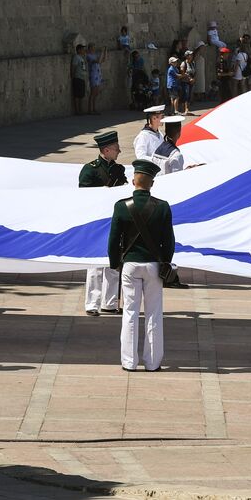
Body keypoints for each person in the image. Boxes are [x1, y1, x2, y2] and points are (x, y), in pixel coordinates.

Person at [108, 159, 176, 372]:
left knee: (130, 312)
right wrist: (165, 262)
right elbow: (169, 241)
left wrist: (114, 263)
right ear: (152, 183)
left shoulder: (121, 206)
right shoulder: (163, 207)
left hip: (129, 264)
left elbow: (113, 241)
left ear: (133, 180)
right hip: (154, 265)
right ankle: (153, 362)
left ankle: (129, 361)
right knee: (154, 313)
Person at [79, 131, 127, 316]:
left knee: (114, 263)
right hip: (96, 221)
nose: (119, 151)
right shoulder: (90, 170)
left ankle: (110, 302)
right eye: (116, 149)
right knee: (95, 265)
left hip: (114, 221)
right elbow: (84, 195)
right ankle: (92, 303)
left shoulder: (118, 170)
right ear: (106, 150)